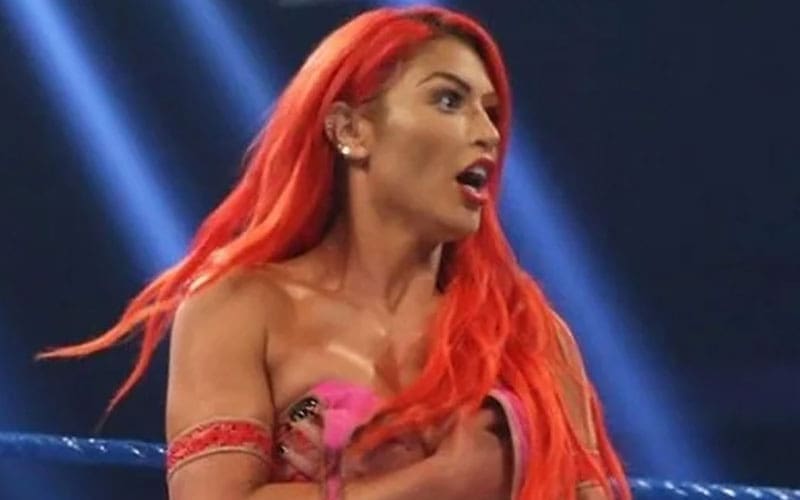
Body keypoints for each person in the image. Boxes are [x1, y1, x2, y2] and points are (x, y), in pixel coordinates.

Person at [39, 6, 631, 499]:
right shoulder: (241, 307)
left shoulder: (526, 331)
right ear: (350, 130)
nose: (488, 133)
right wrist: (439, 482)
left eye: (491, 111)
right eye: (449, 100)